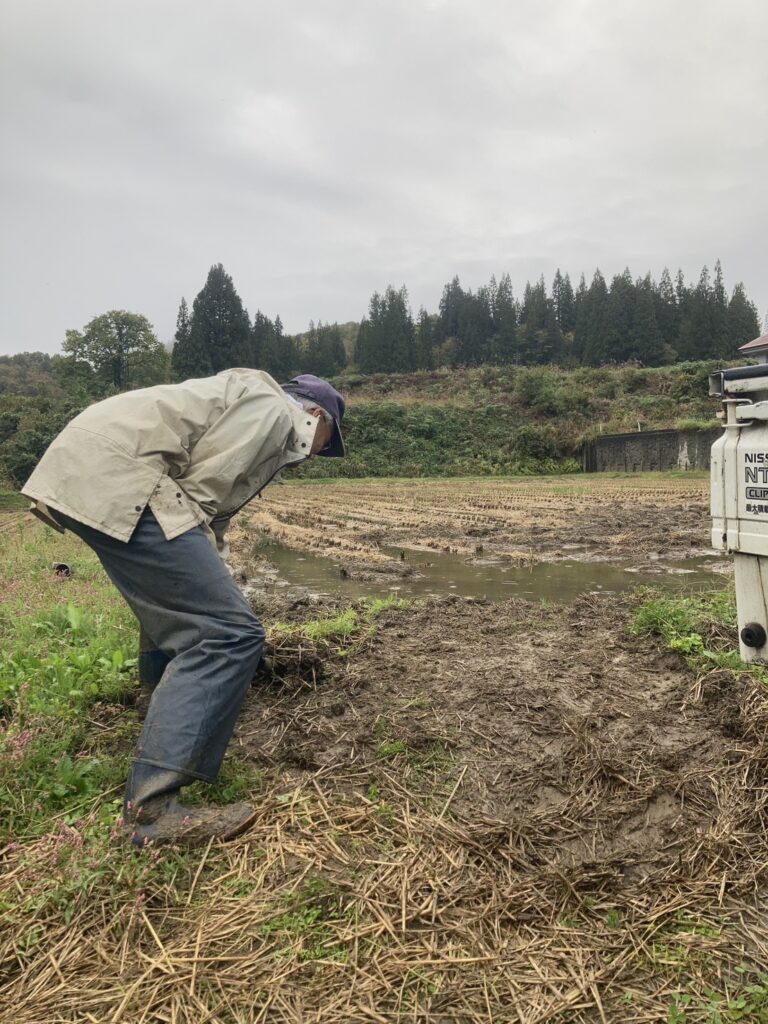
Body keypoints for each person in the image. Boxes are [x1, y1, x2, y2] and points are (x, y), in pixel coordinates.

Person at [22, 369, 346, 847]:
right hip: (123, 472)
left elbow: (209, 513)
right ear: (316, 416)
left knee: (175, 605)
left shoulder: (247, 398)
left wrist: (211, 574)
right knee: (227, 634)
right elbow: (197, 494)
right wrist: (217, 592)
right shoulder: (276, 411)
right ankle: (154, 811)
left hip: (88, 466)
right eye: (326, 442)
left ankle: (157, 706)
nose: (317, 453)